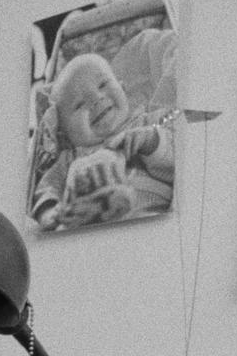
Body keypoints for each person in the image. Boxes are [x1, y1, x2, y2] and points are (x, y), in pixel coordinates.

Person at [29, 50, 174, 230]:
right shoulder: (70, 158)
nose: (96, 99)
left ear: (123, 88)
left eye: (103, 84)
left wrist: (151, 141)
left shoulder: (149, 123)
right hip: (87, 224)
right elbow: (46, 188)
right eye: (79, 104)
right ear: (65, 132)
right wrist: (49, 213)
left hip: (148, 214)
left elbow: (180, 158)